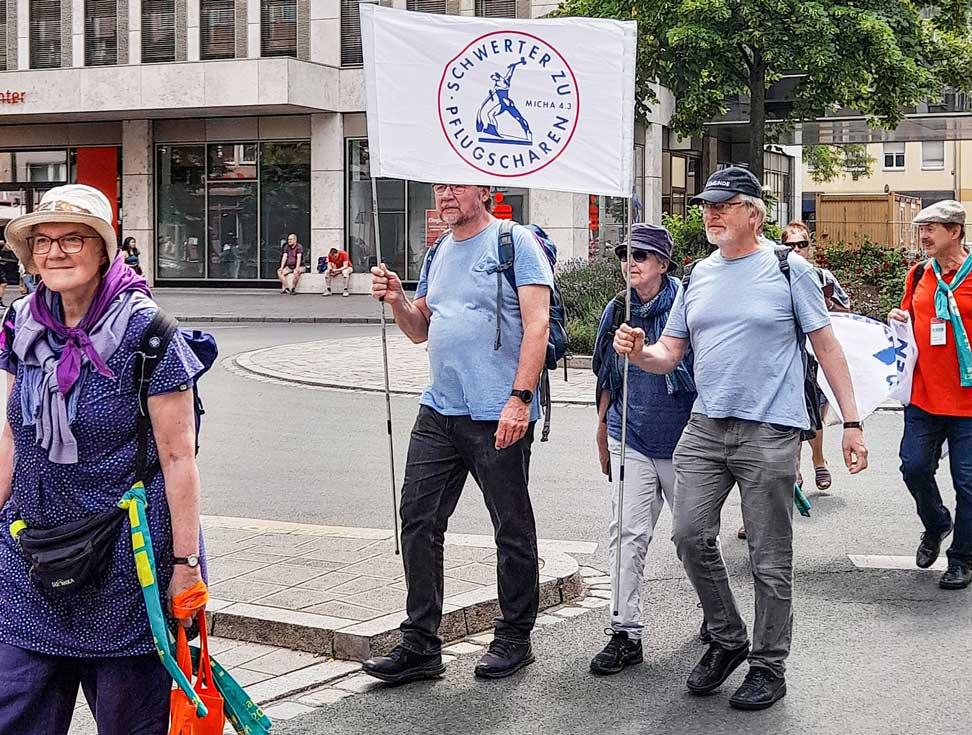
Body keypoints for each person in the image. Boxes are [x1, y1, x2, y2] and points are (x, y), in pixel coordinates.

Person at [614, 167, 868, 711]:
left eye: (723, 205)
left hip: (770, 430)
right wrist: (639, 351)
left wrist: (852, 423)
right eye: (707, 205)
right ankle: (728, 638)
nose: (710, 213)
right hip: (705, 426)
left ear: (753, 213)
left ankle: (768, 664)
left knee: (769, 560)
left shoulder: (788, 268)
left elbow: (826, 348)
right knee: (688, 535)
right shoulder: (699, 275)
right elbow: (669, 355)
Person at [0, 185, 207, 733]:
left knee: (130, 721)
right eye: (42, 241)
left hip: (123, 563)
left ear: (103, 249)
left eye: (73, 238)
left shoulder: (149, 333)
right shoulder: (20, 324)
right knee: (14, 711)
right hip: (30, 552)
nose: (55, 251)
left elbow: (178, 458)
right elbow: (9, 435)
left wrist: (186, 567)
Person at [363, 183, 552, 684]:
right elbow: (419, 328)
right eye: (439, 187)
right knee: (418, 520)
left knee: (511, 527)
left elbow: (538, 326)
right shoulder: (437, 251)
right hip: (439, 409)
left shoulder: (515, 244)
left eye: (455, 186)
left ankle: (515, 637)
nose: (444, 195)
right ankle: (421, 645)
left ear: (484, 190)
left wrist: (520, 399)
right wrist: (398, 300)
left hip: (498, 412)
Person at [588, 223, 698, 675]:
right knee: (626, 534)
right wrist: (601, 430)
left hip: (684, 442)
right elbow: (607, 375)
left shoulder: (688, 306)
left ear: (663, 265)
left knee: (693, 540)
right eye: (626, 256)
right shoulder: (618, 309)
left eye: (642, 256)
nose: (631, 264)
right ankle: (624, 632)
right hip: (629, 436)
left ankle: (718, 619)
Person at [889, 200, 972, 590]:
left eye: (932, 228)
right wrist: (897, 317)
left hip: (968, 403)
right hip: (924, 395)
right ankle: (937, 522)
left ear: (955, 231)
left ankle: (962, 558)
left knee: (968, 483)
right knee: (914, 467)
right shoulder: (919, 274)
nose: (923, 236)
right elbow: (909, 318)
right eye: (921, 229)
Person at [783, 221, 850, 493]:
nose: (797, 249)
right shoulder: (777, 274)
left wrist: (827, 305)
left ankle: (818, 459)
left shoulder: (822, 277)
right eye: (790, 245)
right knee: (789, 414)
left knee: (813, 411)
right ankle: (793, 473)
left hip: (815, 355)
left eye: (802, 244)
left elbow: (846, 311)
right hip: (788, 355)